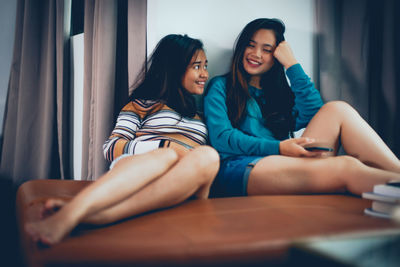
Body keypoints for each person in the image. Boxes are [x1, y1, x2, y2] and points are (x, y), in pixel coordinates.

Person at [25, 34, 219, 245]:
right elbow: (111, 147)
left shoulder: (201, 114)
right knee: (164, 156)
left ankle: (95, 215)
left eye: (205, 66)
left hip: (182, 184)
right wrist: (165, 147)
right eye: (197, 67)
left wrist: (176, 153)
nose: (204, 74)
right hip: (140, 171)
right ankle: (74, 213)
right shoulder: (140, 105)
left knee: (208, 156)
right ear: (175, 68)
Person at [204, 18, 400, 198]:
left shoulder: (276, 94)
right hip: (240, 167)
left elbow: (315, 112)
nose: (256, 54)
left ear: (276, 56)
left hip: (282, 160)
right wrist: (279, 147)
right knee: (346, 165)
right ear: (242, 47)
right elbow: (222, 138)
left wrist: (291, 63)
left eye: (266, 49)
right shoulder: (221, 86)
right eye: (251, 45)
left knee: (337, 109)